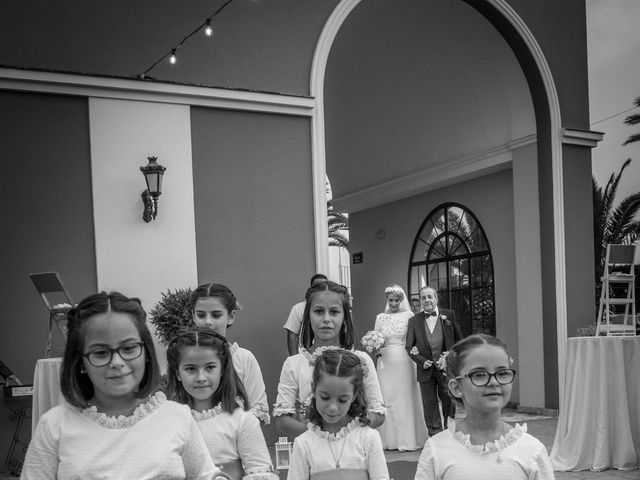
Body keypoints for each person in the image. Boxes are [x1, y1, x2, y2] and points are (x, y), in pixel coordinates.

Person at [21, 291, 229, 480]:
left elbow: (205, 475)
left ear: (146, 352)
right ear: (81, 361)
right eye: (101, 353)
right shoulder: (54, 426)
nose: (117, 363)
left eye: (129, 348)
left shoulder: (177, 418)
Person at [414, 334, 555, 479]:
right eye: (480, 375)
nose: (494, 382)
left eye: (502, 373)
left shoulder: (531, 450)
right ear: (456, 387)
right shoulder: (438, 450)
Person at [273, 280, 386, 438]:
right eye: (319, 311)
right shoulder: (294, 364)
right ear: (308, 316)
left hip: (354, 452)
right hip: (312, 453)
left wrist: (349, 432)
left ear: (344, 316)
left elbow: (378, 412)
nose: (326, 319)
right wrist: (320, 437)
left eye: (334, 312)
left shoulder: (361, 360)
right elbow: (281, 419)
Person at [166, 327, 278, 480]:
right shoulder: (169, 423)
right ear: (178, 373)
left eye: (209, 367)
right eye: (191, 369)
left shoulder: (242, 421)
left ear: (222, 369)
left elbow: (260, 471)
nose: (201, 377)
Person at [288, 349, 390, 480]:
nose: (332, 408)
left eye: (342, 400)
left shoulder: (368, 438)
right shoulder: (304, 443)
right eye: (325, 397)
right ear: (313, 389)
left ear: (354, 395)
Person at [190, 283, 270, 424]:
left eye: (216, 315)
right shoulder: (185, 359)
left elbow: (259, 410)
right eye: (201, 315)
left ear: (231, 316)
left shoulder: (243, 359)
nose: (207, 322)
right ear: (193, 316)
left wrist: (225, 431)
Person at [374, 284, 429, 450]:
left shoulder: (409, 315)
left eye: (397, 300)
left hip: (404, 360)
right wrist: (374, 346)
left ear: (401, 300)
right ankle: (388, 440)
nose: (393, 303)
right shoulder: (380, 317)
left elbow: (414, 338)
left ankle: (408, 439)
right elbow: (375, 336)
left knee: (404, 397)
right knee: (387, 396)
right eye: (391, 300)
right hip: (385, 361)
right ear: (387, 300)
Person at [405, 285, 462, 436]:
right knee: (429, 405)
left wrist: (450, 358)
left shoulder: (448, 315)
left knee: (449, 401)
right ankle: (435, 434)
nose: (427, 300)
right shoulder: (414, 321)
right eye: (423, 297)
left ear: (436, 299)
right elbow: (409, 346)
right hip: (425, 370)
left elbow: (459, 341)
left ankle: (449, 433)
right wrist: (421, 360)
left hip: (445, 369)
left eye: (430, 296)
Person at [284, 273, 328, 355]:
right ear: (311, 288)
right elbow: (292, 334)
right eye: (317, 286)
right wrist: (294, 359)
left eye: (323, 286)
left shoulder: (330, 309)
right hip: (304, 357)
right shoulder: (298, 308)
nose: (320, 288)